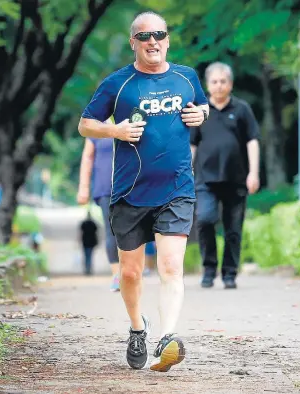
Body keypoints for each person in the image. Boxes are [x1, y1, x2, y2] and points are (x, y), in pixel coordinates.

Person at [78, 11, 209, 372]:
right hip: (129, 191)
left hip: (177, 188)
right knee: (130, 274)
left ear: (167, 40)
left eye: (159, 35)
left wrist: (203, 114)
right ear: (133, 42)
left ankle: (167, 338)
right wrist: (115, 132)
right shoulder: (118, 84)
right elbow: (85, 125)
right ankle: (138, 328)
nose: (153, 41)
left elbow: (201, 105)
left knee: (170, 267)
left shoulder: (187, 77)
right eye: (144, 36)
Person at [190, 62, 260, 290]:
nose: (219, 86)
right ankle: (209, 269)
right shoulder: (198, 111)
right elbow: (191, 145)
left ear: (230, 84)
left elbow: (252, 141)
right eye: (214, 82)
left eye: (223, 81)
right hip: (204, 179)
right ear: (207, 85)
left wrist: (254, 173)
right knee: (205, 219)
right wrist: (185, 173)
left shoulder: (242, 109)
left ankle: (229, 273)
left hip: (236, 179)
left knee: (233, 229)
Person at [77, 127, 120, 292]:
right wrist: (83, 187)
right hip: (105, 188)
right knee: (112, 231)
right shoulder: (96, 125)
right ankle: (117, 275)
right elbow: (88, 157)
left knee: (132, 231)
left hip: (133, 186)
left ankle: (132, 271)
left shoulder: (134, 116)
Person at [79, 210, 99, 275]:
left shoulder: (83, 223)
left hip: (85, 242)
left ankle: (87, 269)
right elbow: (96, 232)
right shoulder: (93, 223)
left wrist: (79, 240)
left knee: (86, 256)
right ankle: (89, 269)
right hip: (92, 242)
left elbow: (81, 233)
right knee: (90, 255)